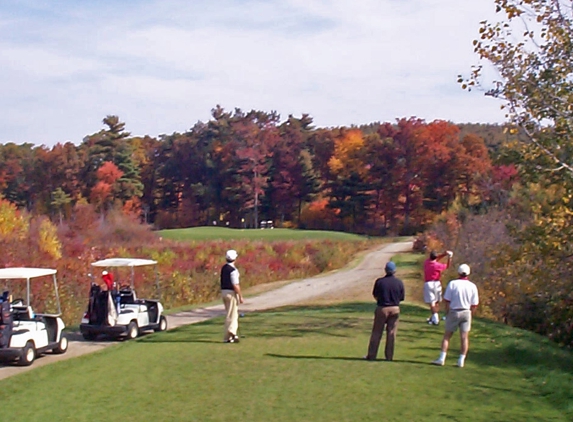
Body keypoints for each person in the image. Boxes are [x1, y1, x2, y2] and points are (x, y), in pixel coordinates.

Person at [432, 263, 479, 368]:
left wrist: (447, 312)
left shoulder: (453, 284)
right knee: (464, 337)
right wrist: (471, 313)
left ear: (458, 272)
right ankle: (461, 360)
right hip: (466, 312)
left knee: (447, 336)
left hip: (454, 311)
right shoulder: (472, 286)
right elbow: (474, 304)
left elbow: (447, 300)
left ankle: (441, 358)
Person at [364, 261, 405, 361]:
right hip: (395, 308)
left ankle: (372, 355)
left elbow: (375, 294)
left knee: (377, 332)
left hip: (382, 308)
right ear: (394, 271)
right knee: (391, 333)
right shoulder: (399, 283)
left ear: (385, 270)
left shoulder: (380, 282)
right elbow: (401, 297)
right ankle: (389, 356)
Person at [423, 249, 453, 325]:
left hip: (429, 283)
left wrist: (444, 254)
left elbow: (436, 258)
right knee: (436, 301)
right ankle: (434, 318)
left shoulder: (426, 262)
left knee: (432, 302)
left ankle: (435, 318)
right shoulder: (437, 265)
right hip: (437, 283)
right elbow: (448, 266)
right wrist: (449, 257)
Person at [220, 249, 244, 343]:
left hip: (224, 292)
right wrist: (240, 296)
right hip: (231, 293)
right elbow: (235, 285)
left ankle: (228, 337)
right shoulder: (233, 270)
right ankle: (232, 334)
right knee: (233, 315)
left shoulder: (224, 268)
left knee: (229, 314)